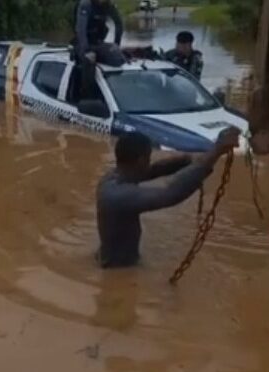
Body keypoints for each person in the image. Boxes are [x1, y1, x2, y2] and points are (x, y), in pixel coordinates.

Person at [96, 128, 240, 269]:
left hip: (112, 263)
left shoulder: (112, 178)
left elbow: (150, 171)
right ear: (141, 160)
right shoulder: (118, 195)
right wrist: (216, 151)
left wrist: (183, 162)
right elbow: (170, 193)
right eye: (149, 157)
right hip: (118, 271)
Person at [73, 0, 124, 98]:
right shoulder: (86, 5)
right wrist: (86, 51)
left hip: (98, 42)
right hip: (83, 43)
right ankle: (87, 96)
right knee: (89, 61)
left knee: (118, 58)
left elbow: (119, 24)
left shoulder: (109, 6)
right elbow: (80, 29)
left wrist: (116, 44)